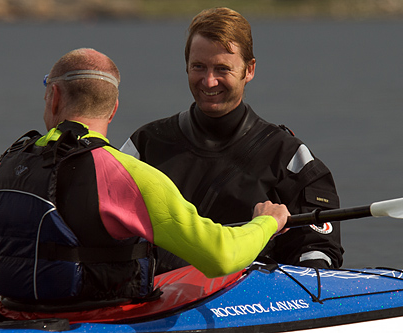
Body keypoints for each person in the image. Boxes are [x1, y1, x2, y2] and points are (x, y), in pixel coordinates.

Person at [0, 48, 289, 318]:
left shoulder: (1, 173)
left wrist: (23, 269)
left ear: (55, 98)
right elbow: (221, 256)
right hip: (106, 320)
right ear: (113, 108)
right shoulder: (131, 176)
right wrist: (266, 223)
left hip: (18, 316)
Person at [121, 7, 343, 273]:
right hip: (155, 294)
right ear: (186, 66)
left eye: (222, 69)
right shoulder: (145, 145)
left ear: (249, 70)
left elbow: (318, 254)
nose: (209, 81)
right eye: (198, 67)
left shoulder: (288, 158)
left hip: (253, 297)